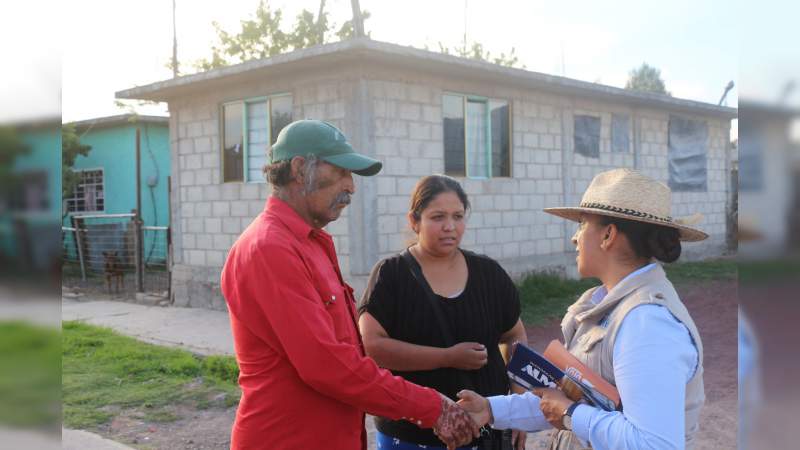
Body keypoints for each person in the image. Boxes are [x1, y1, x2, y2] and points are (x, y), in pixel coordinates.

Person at [220, 120, 479, 450]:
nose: (351, 187)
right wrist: (431, 407)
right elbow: (326, 365)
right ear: (300, 169)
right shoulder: (271, 248)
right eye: (342, 172)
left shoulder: (309, 242)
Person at [457, 168, 708, 450]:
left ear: (608, 235)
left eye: (582, 224)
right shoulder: (606, 306)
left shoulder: (647, 323)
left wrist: (571, 414)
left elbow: (653, 444)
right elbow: (567, 397)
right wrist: (491, 409)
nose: (574, 238)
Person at [358, 175, 529, 450]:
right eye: (437, 217)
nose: (450, 227)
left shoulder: (489, 274)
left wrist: (518, 406)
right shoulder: (391, 275)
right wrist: (447, 357)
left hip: (485, 434)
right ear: (415, 221)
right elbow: (373, 346)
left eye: (458, 216)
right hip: (411, 435)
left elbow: (514, 336)